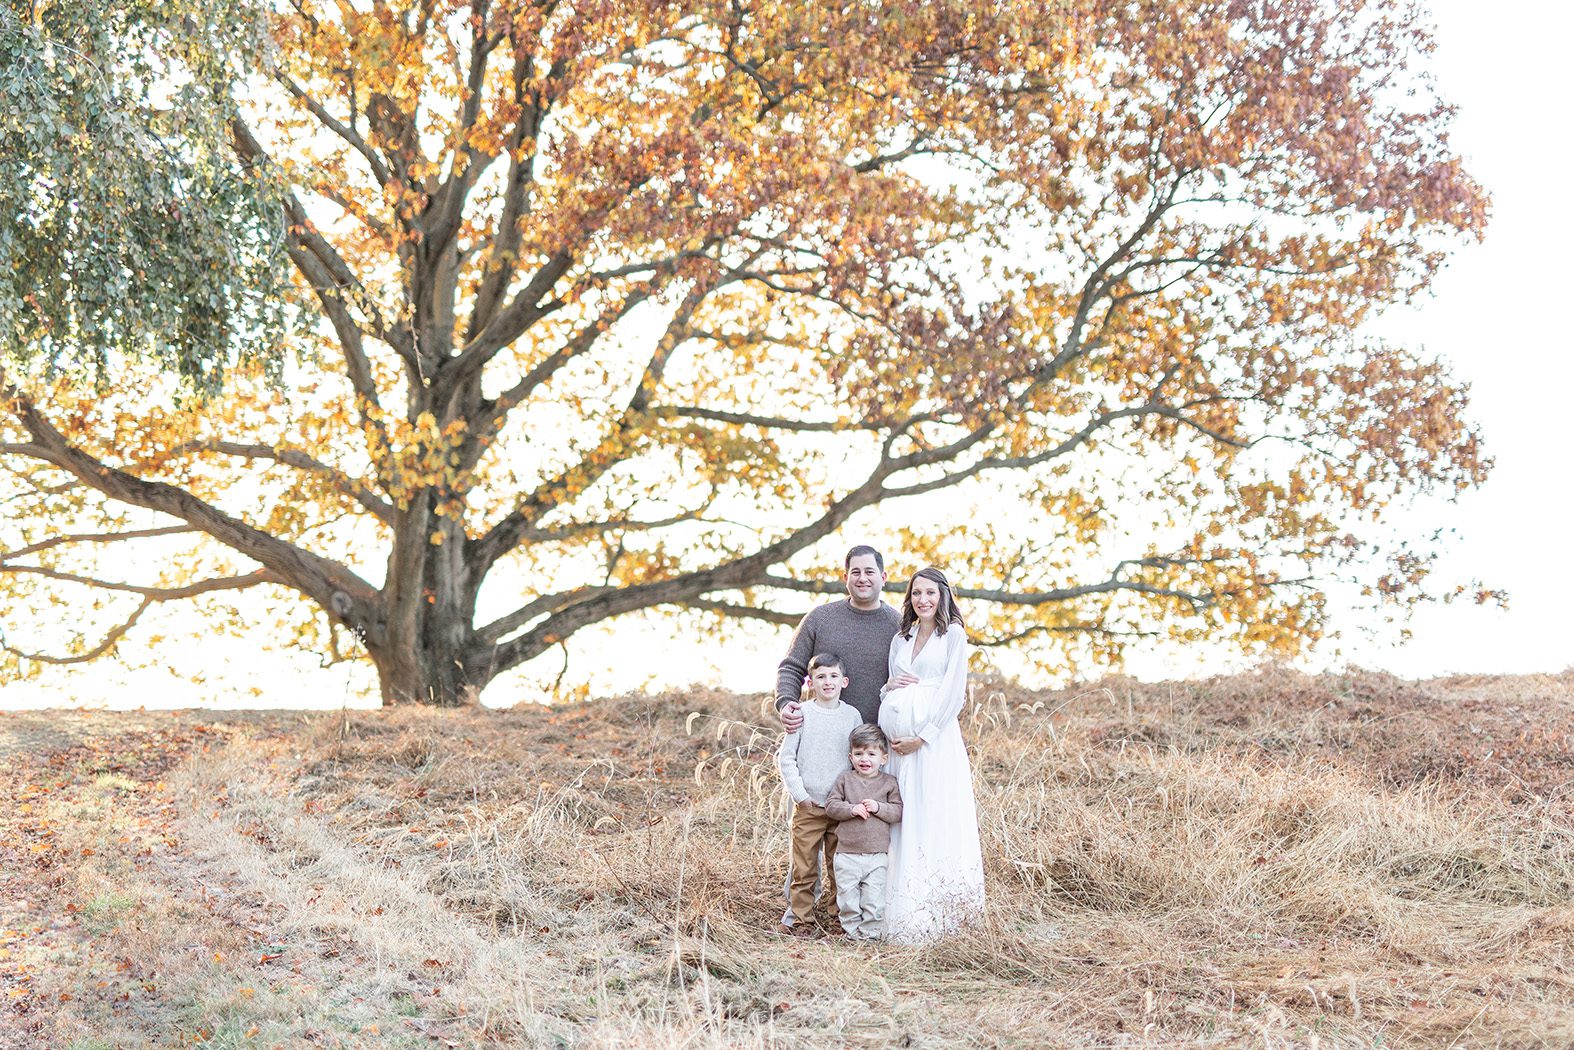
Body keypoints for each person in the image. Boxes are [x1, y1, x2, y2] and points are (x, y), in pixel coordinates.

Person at [877, 566, 985, 943]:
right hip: (898, 750)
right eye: (916, 593)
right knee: (903, 818)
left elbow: (954, 694)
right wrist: (888, 689)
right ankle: (901, 913)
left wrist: (922, 736)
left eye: (930, 593)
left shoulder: (952, 635)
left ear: (943, 596)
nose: (923, 600)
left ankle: (943, 916)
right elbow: (892, 688)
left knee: (933, 813)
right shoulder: (900, 639)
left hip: (933, 744)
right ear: (909, 598)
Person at [775, 652, 865, 936]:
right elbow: (786, 758)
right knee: (804, 867)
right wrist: (800, 795)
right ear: (810, 683)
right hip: (809, 806)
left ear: (844, 681)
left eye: (834, 676)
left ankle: (840, 917)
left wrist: (852, 797)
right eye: (821, 677)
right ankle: (801, 919)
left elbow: (857, 759)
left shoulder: (852, 716)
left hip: (841, 808)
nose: (828, 682)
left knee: (841, 866)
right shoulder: (802, 714)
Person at [776, 545, 902, 732]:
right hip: (820, 732)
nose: (862, 578)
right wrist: (786, 702)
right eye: (856, 572)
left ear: (883, 578)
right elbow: (791, 667)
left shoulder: (899, 626)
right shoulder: (820, 619)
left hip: (876, 739)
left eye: (869, 572)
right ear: (845, 578)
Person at [823, 723, 903, 941]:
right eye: (858, 754)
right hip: (847, 853)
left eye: (871, 754)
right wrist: (851, 809)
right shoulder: (845, 779)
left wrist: (878, 807)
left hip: (877, 855)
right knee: (847, 897)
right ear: (850, 757)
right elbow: (831, 806)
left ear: (883, 758)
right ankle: (852, 933)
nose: (864, 759)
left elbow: (898, 811)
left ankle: (870, 935)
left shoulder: (889, 783)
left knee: (873, 898)